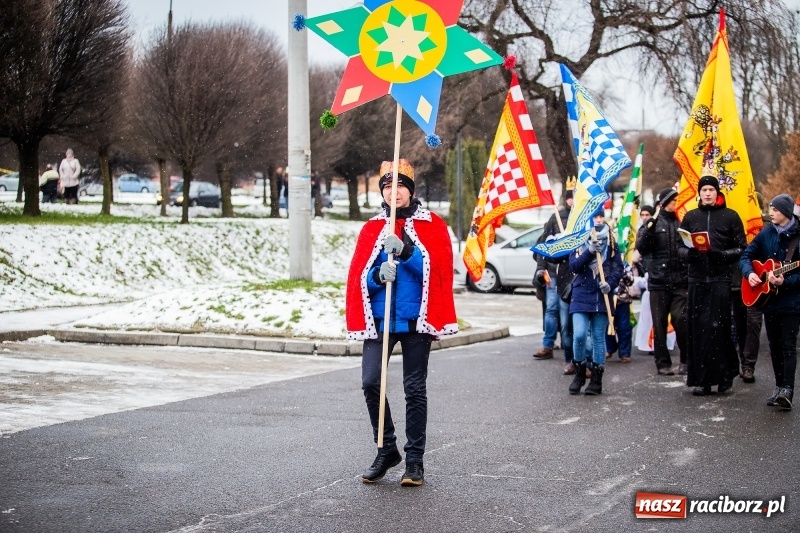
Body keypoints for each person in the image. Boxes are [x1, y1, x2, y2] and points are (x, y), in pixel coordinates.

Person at [346, 159, 457, 486]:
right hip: (379, 319)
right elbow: (358, 280)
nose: (393, 193)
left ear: (411, 189)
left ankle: (414, 460)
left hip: (415, 321)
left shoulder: (432, 224)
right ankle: (386, 448)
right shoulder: (371, 228)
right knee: (370, 382)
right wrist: (378, 277)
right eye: (387, 186)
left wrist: (408, 252)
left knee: (414, 388)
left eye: (400, 186)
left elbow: (438, 275)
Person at [678, 175, 746, 396]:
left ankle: (725, 376)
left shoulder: (731, 216)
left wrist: (721, 255)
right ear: (699, 193)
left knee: (719, 328)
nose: (707, 193)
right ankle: (702, 380)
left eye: (711, 189)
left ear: (718, 192)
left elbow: (741, 248)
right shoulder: (690, 216)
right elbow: (679, 247)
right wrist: (689, 254)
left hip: (720, 280)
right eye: (704, 189)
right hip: (697, 279)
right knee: (698, 329)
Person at [740, 194, 800, 410]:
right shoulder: (766, 233)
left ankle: (788, 390)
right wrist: (750, 274)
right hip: (769, 300)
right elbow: (746, 255)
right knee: (774, 345)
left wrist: (786, 281)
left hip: (792, 302)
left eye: (774, 209)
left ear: (785, 212)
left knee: (788, 346)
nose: (770, 213)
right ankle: (778, 387)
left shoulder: (797, 237)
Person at [567, 210, 623, 395]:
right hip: (581, 291)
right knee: (580, 335)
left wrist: (611, 283)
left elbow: (618, 267)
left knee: (599, 337)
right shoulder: (577, 239)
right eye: (594, 217)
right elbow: (574, 266)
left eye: (600, 216)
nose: (598, 220)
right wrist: (589, 252)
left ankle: (597, 380)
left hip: (601, 294)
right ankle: (580, 373)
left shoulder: (612, 240)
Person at [635, 188, 688, 376]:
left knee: (681, 319)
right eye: (673, 201)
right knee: (659, 323)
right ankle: (662, 362)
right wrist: (649, 229)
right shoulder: (653, 223)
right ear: (665, 203)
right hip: (658, 281)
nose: (676, 204)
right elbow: (641, 248)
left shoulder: (682, 221)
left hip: (680, 280)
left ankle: (685, 360)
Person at [533, 188, 574, 366]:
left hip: (570, 274)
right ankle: (548, 345)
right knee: (551, 309)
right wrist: (541, 270)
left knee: (566, 314)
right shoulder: (555, 217)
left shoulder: (581, 218)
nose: (573, 201)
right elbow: (542, 247)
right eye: (570, 198)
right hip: (552, 272)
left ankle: (569, 348)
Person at [605, 262, 635, 363]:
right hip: (607, 300)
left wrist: (623, 271)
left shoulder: (624, 263)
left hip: (622, 300)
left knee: (624, 327)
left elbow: (630, 281)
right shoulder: (605, 261)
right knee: (607, 326)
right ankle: (609, 348)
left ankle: (625, 353)